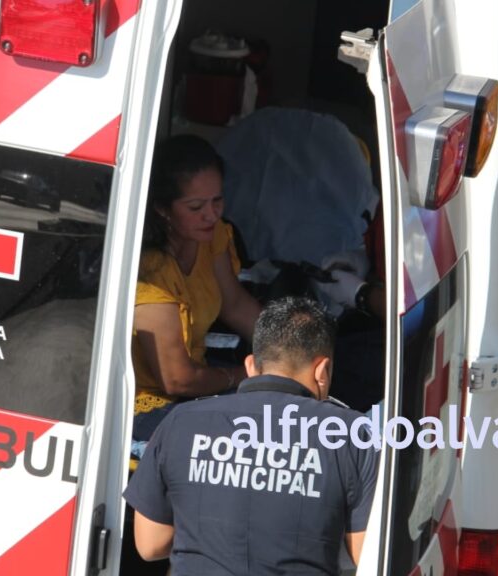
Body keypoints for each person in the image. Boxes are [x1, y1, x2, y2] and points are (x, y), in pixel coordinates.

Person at [124, 297, 378, 575]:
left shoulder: (181, 421)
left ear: (250, 365)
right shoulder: (352, 435)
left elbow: (150, 545)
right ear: (322, 371)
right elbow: (364, 552)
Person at [131, 135, 262, 449]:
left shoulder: (209, 237)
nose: (211, 214)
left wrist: (290, 349)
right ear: (163, 209)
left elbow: (234, 304)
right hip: (145, 405)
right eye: (195, 206)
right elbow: (177, 378)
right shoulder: (152, 270)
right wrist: (244, 377)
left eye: (217, 201)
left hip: (200, 383)